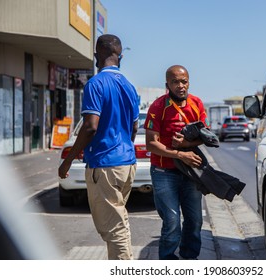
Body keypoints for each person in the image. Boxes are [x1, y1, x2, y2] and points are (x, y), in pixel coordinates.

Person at [58, 34, 140, 260]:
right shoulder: (130, 87)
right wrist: (124, 149)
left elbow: (90, 127)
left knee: (114, 230)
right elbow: (134, 127)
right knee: (118, 222)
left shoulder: (95, 84)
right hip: (127, 164)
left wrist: (68, 160)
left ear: (97, 55)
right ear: (120, 57)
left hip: (105, 165)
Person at [144, 65, 208, 260]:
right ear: (167, 85)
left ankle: (190, 259)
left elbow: (206, 136)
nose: (180, 86)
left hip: (190, 172)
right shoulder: (157, 107)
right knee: (172, 221)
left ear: (189, 82)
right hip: (164, 172)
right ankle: (168, 260)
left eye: (184, 81)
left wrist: (187, 143)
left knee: (195, 220)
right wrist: (181, 154)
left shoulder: (197, 103)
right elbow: (151, 144)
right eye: (175, 82)